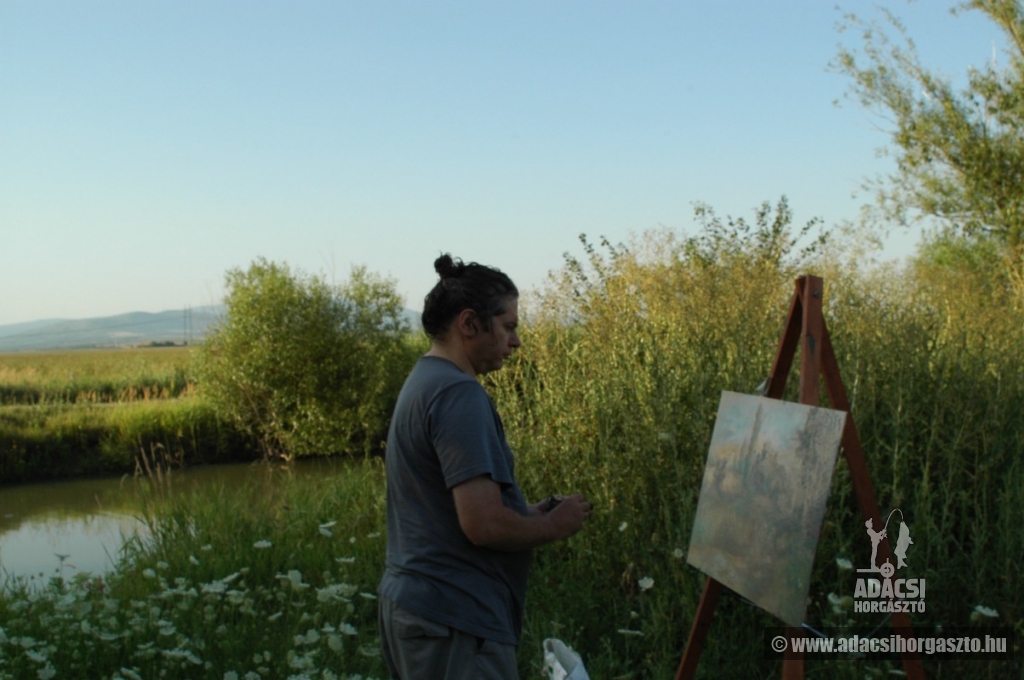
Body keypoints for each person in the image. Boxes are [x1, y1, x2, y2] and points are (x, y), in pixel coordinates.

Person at [377, 254, 592, 680]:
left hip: (418, 611)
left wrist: (525, 514)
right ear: (470, 324)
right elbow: (482, 525)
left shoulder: (423, 381)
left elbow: (444, 510)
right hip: (454, 620)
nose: (516, 341)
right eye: (508, 326)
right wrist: (555, 525)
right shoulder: (459, 394)